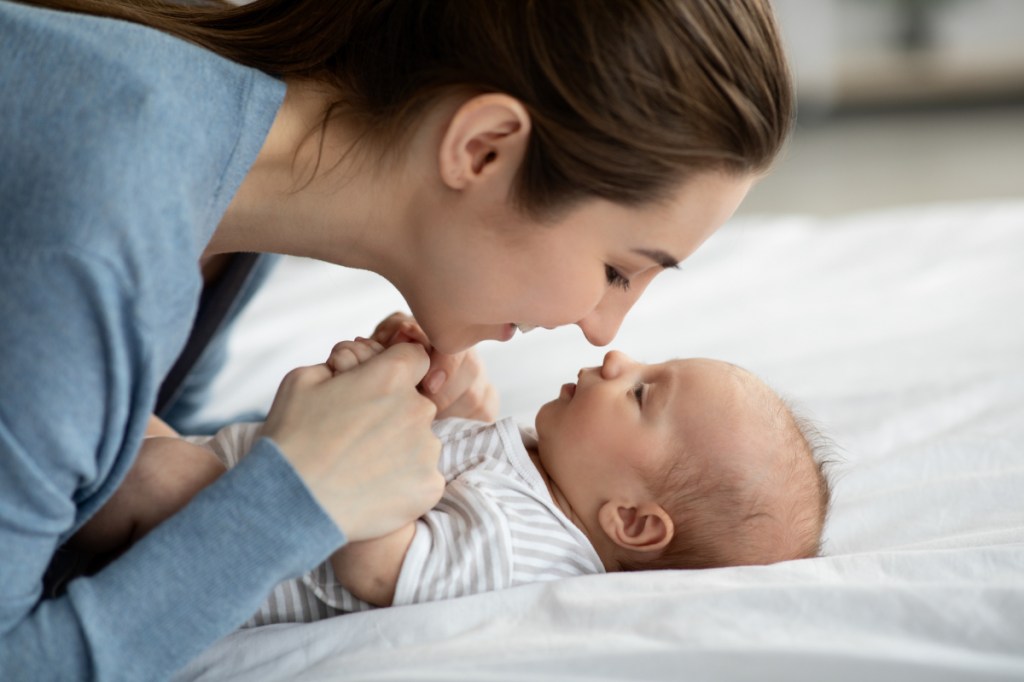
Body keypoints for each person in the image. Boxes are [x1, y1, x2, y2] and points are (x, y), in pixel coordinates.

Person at [1, 0, 794, 677]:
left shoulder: (225, 182)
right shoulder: (98, 235)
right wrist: (297, 496)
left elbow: (102, 460)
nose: (604, 329)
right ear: (482, 149)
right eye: (620, 269)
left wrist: (336, 440)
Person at [74, 336, 832, 625]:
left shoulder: (525, 543)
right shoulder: (541, 463)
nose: (615, 359)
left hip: (225, 544)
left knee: (154, 470)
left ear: (631, 522)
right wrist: (436, 395)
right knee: (124, 421)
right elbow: (450, 453)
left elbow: (379, 568)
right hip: (231, 468)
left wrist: (372, 426)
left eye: (641, 394)